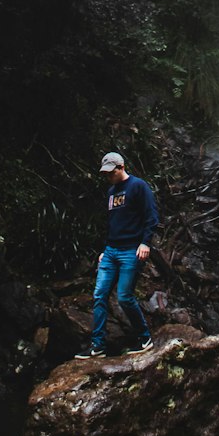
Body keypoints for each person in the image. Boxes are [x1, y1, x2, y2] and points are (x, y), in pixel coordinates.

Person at [76, 151, 159, 358]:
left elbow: (151, 216)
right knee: (99, 295)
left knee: (124, 296)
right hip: (112, 251)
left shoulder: (138, 186)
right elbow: (113, 223)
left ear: (121, 167)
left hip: (131, 250)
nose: (108, 177)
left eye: (111, 172)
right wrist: (105, 249)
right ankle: (98, 346)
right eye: (105, 174)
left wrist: (145, 243)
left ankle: (144, 338)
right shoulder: (111, 191)